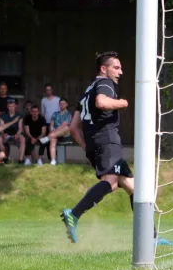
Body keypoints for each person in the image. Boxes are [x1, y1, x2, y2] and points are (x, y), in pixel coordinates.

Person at [61, 51, 133, 243]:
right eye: (116, 67)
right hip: (107, 140)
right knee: (111, 182)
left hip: (96, 144)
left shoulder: (86, 92)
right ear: (104, 68)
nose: (120, 72)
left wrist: (87, 147)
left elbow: (73, 128)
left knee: (134, 188)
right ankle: (74, 214)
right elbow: (102, 102)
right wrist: (123, 103)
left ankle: (151, 237)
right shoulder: (104, 83)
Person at [0, 98, 26, 164]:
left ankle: (20, 160)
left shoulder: (19, 115)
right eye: (9, 106)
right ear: (7, 106)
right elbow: (1, 127)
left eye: (12, 106)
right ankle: (5, 157)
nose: (11, 108)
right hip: (6, 133)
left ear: (15, 106)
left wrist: (17, 134)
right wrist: (3, 135)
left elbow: (20, 128)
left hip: (15, 133)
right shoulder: (3, 115)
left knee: (23, 139)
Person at [48, 98, 72, 165]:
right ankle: (53, 160)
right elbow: (51, 124)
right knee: (52, 140)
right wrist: (51, 130)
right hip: (55, 133)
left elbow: (63, 125)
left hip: (64, 133)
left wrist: (53, 132)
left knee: (66, 128)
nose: (62, 105)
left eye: (64, 103)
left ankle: (49, 136)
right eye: (60, 103)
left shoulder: (68, 114)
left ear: (66, 104)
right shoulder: (55, 114)